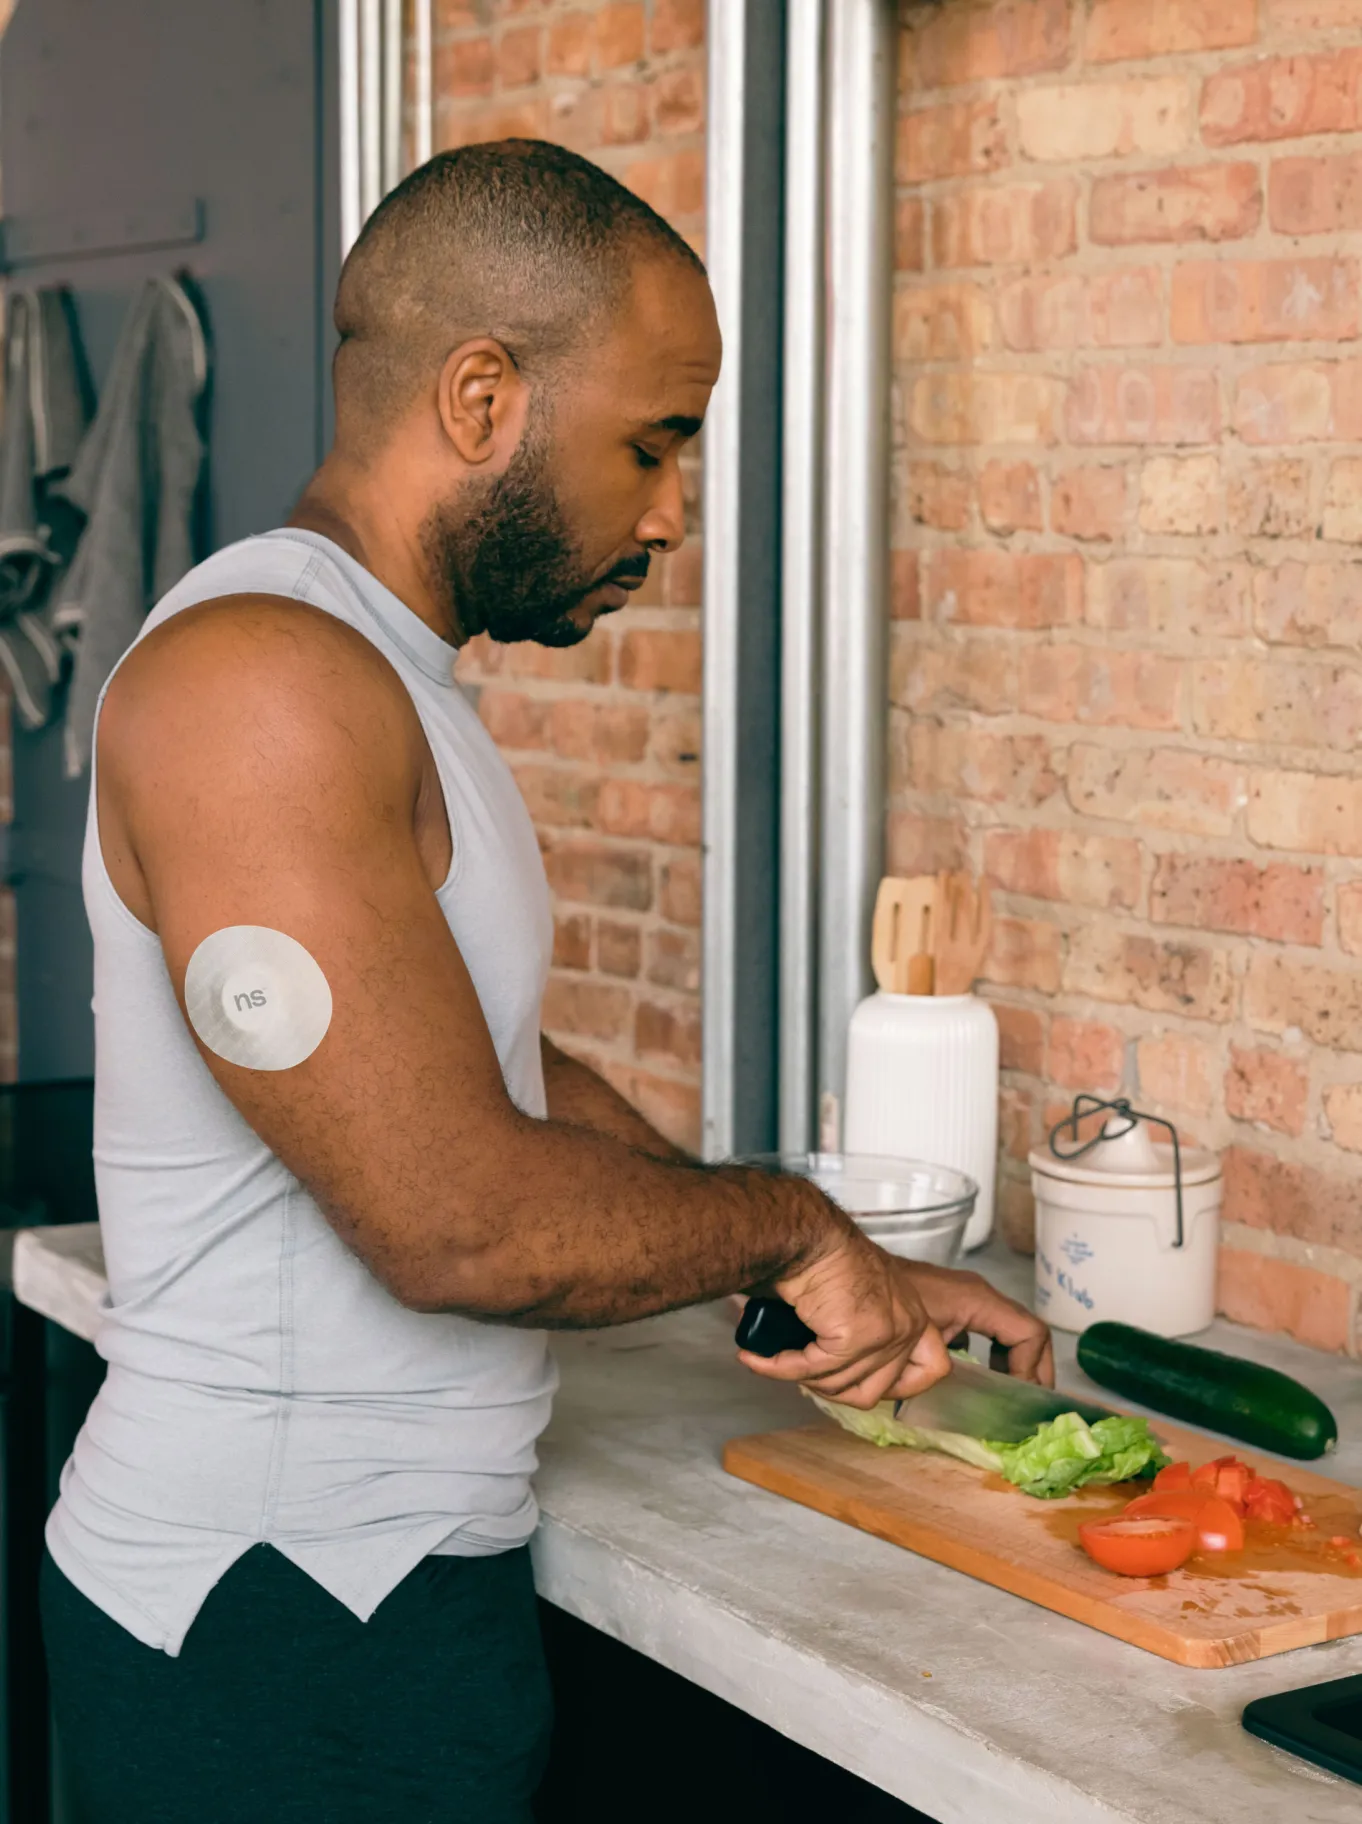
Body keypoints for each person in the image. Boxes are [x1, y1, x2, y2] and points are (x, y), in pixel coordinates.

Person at [40, 141, 1052, 1823]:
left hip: (368, 1600)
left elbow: (482, 1076)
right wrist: (788, 1230)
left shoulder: (382, 673)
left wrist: (846, 1262)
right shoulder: (261, 685)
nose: (668, 511)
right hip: (272, 1617)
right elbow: (458, 1216)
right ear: (482, 396)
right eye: (651, 442)